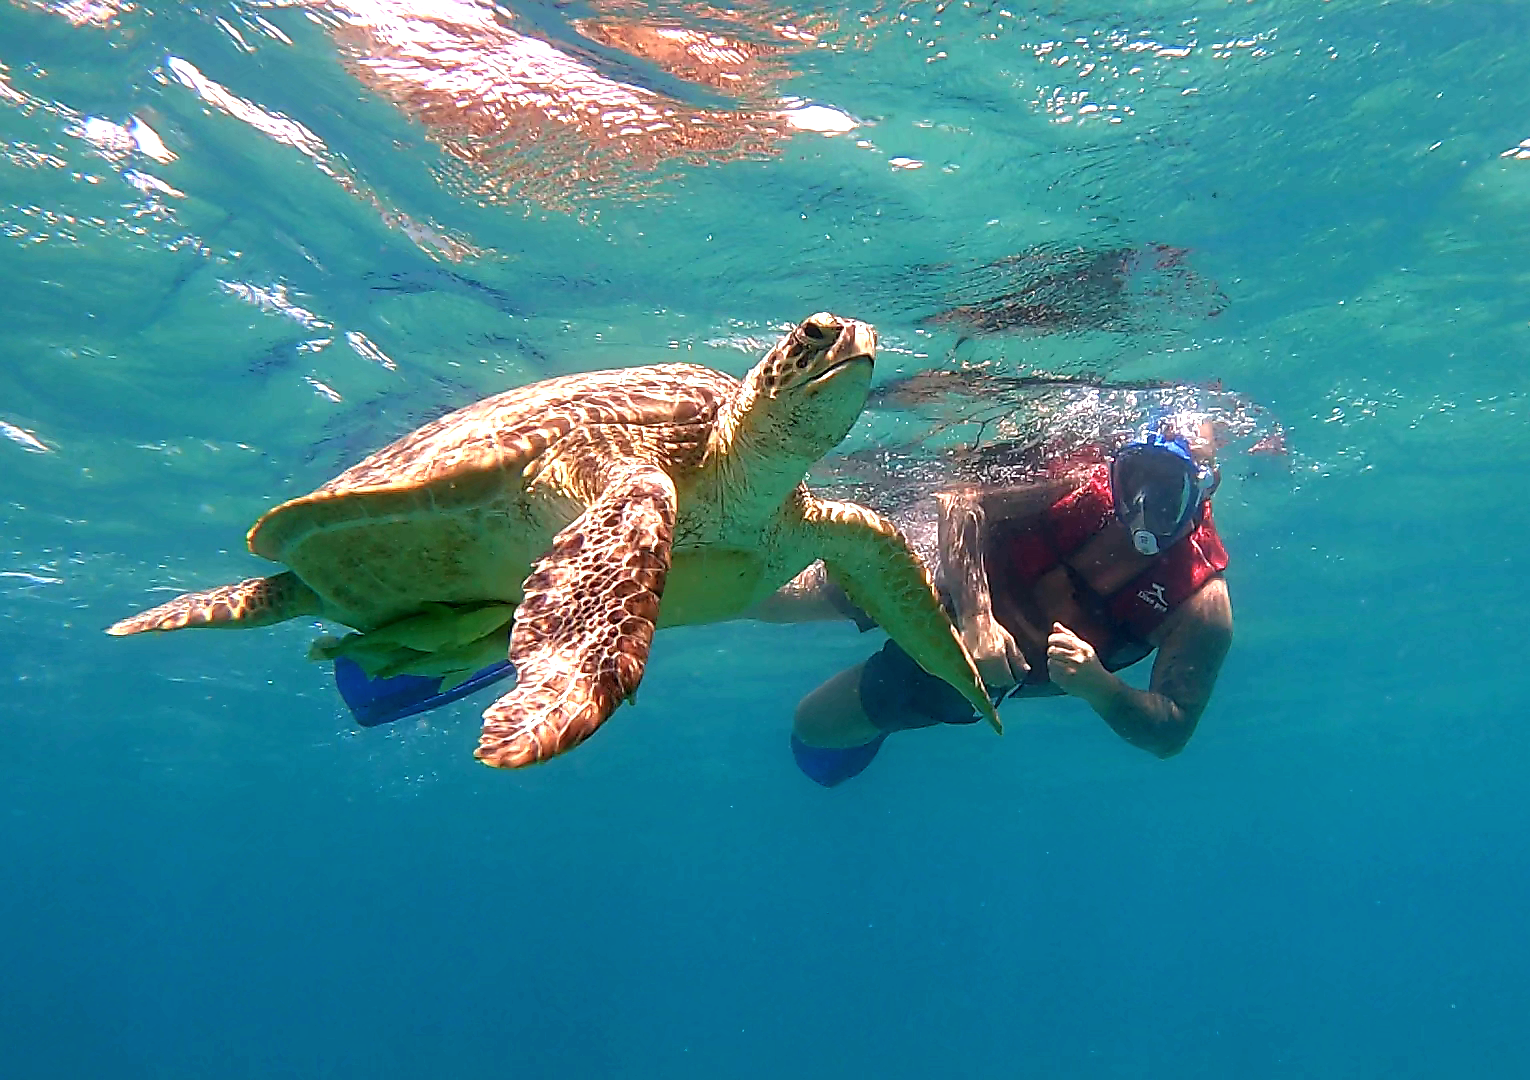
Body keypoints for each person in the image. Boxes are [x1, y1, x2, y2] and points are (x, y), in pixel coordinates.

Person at [749, 415, 1234, 787]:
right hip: (942, 580)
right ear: (1117, 471)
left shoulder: (1200, 603)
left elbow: (1171, 730)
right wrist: (977, 615)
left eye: (1167, 492)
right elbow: (958, 500)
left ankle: (861, 742)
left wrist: (1100, 689)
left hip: (984, 674)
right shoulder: (1081, 486)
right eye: (1134, 480)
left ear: (1201, 491)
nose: (1143, 507)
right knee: (770, 600)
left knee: (813, 727)